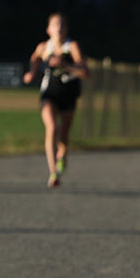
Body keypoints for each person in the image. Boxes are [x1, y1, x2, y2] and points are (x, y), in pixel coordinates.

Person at [22, 13, 89, 188]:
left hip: (68, 94)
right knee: (52, 127)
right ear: (48, 29)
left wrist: (65, 65)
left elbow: (85, 73)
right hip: (49, 94)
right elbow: (34, 58)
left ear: (66, 29)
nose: (58, 28)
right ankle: (53, 173)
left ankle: (63, 153)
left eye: (61, 25)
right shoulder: (43, 47)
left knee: (64, 137)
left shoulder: (72, 47)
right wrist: (31, 72)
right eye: (55, 25)